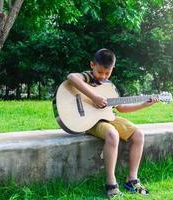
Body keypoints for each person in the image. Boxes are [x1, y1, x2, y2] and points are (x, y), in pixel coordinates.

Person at [67, 48, 159, 198]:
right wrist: (94, 97)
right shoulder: (87, 77)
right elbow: (71, 77)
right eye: (100, 72)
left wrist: (144, 104)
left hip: (110, 117)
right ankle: (111, 182)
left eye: (107, 73)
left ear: (112, 69)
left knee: (139, 134)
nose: (103, 76)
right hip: (90, 121)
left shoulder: (110, 86)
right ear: (92, 65)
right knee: (112, 134)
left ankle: (132, 179)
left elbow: (121, 108)